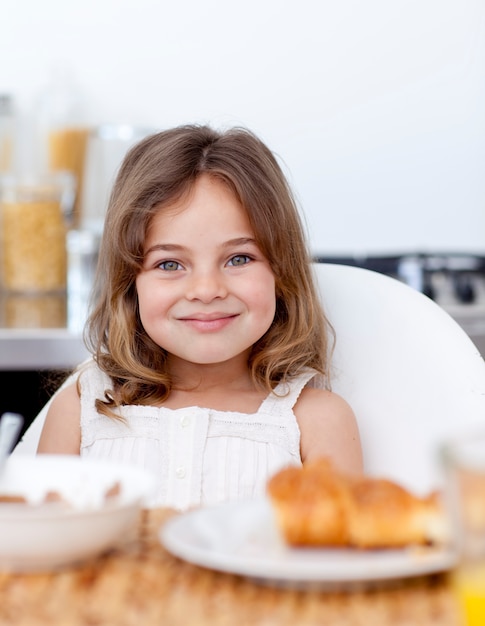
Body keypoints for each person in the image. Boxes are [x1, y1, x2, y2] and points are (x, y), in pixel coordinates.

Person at [37, 124, 363, 509]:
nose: (207, 289)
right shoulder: (81, 408)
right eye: (170, 263)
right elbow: (39, 551)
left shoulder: (318, 421)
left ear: (282, 271)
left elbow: (337, 560)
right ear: (130, 282)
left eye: (239, 258)